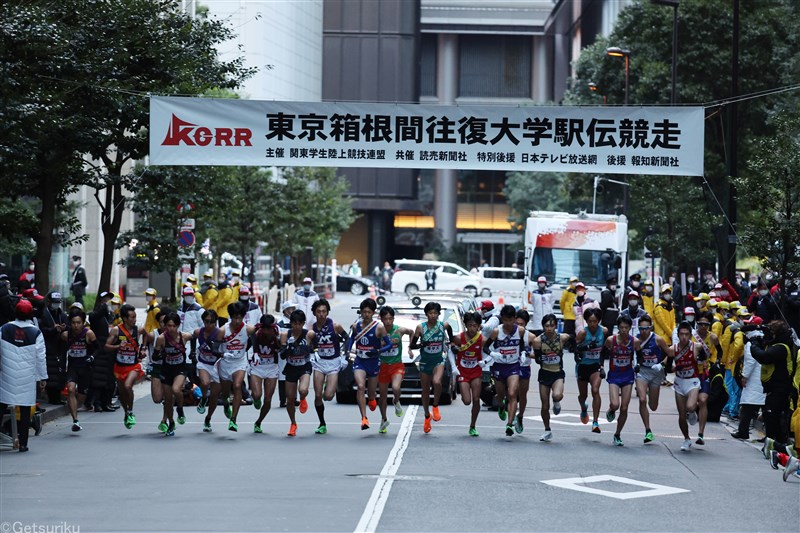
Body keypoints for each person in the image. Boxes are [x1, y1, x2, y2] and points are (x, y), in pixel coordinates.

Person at [0, 299, 47, 452]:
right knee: (25, 409)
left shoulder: (4, 329)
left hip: (7, 374)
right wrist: (42, 378)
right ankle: (23, 443)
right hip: (27, 377)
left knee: (1, 406)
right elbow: (41, 357)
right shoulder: (36, 332)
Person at [750, 320, 796, 448]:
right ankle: (772, 441)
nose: (769, 334)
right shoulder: (777, 344)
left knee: (773, 415)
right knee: (769, 414)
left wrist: (754, 345)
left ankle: (776, 443)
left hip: (780, 388)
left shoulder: (781, 347)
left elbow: (763, 356)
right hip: (774, 387)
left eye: (771, 332)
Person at [410, 301, 453, 433]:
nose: (433, 315)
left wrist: (450, 341)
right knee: (425, 390)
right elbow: (413, 345)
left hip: (438, 360)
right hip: (424, 362)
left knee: (437, 382)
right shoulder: (420, 328)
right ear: (426, 314)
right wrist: (422, 345)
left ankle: (435, 406)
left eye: (435, 313)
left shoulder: (443, 325)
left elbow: (450, 331)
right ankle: (427, 416)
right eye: (430, 313)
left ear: (439, 314)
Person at [482, 304, 525, 437]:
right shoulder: (496, 331)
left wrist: (523, 353)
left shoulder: (521, 331)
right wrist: (493, 354)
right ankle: (501, 406)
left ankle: (510, 424)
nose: (508, 323)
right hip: (499, 366)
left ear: (514, 319)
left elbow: (522, 345)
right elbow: (485, 347)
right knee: (500, 396)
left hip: (513, 366)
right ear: (502, 318)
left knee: (512, 393)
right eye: (505, 320)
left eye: (510, 320)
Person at [349, 298, 392, 431]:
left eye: (369, 312)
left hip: (373, 362)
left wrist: (377, 351)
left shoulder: (379, 327)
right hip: (360, 361)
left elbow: (389, 344)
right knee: (361, 386)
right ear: (361, 312)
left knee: (372, 394)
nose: (366, 314)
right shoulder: (356, 326)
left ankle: (372, 399)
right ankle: (364, 418)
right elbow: (351, 338)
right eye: (364, 312)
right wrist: (348, 350)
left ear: (373, 313)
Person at [309, 299, 348, 434]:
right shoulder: (311, 328)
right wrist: (311, 353)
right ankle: (322, 423)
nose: (321, 314)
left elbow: (347, 338)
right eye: (319, 312)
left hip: (333, 362)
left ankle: (328, 386)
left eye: (324, 311)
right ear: (314, 313)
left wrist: (345, 354)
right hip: (319, 363)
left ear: (327, 312)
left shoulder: (335, 326)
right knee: (318, 395)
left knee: (329, 396)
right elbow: (307, 344)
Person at [667, 321, 706, 452]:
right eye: (681, 334)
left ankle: (693, 411)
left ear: (690, 336)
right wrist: (670, 368)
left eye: (686, 334)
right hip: (679, 382)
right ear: (678, 335)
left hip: (693, 381)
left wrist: (702, 359)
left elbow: (706, 353)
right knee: (681, 415)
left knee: (690, 406)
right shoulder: (673, 349)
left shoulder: (696, 346)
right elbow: (667, 365)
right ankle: (686, 438)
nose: (684, 337)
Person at [532, 313, 572, 442]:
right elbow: (538, 359)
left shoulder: (563, 338)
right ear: (543, 326)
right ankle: (547, 430)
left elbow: (575, 340)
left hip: (557, 373)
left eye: (552, 325)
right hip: (544, 373)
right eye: (546, 326)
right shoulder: (538, 341)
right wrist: (540, 357)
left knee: (557, 395)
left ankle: (556, 402)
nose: (549, 328)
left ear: (556, 326)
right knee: (544, 406)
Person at [153, 312, 193, 436]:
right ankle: (171, 422)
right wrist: (160, 354)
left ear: (178, 325)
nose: (171, 329)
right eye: (168, 326)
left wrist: (194, 353)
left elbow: (194, 338)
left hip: (180, 369)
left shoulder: (184, 336)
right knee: (168, 400)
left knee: (176, 389)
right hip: (167, 370)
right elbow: (155, 355)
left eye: (174, 326)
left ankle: (180, 409)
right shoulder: (161, 338)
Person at [105, 304, 144, 429]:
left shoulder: (139, 329)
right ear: (125, 318)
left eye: (135, 317)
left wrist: (142, 350)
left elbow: (148, 336)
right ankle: (126, 412)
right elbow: (106, 346)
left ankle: (131, 411)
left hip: (133, 366)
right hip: (120, 366)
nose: (134, 319)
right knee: (121, 392)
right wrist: (118, 346)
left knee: (128, 386)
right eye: (132, 317)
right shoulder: (116, 330)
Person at [604, 315, 641, 446]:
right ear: (618, 328)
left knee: (624, 408)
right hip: (614, 375)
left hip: (627, 376)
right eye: (621, 327)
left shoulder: (635, 341)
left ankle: (617, 434)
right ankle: (611, 410)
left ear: (630, 328)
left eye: (626, 327)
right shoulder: (611, 340)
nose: (624, 330)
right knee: (615, 404)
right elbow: (603, 352)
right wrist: (601, 367)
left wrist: (638, 365)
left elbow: (639, 354)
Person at [219, 302, 256, 432]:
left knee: (237, 386)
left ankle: (233, 420)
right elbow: (214, 347)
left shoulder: (248, 329)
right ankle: (225, 403)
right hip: (225, 363)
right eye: (235, 318)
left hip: (240, 362)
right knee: (225, 392)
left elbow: (254, 341)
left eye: (240, 318)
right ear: (230, 317)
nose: (237, 321)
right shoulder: (223, 330)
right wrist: (221, 353)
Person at [634, 315, 670, 444]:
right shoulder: (636, 339)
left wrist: (662, 364)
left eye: (647, 328)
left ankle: (650, 392)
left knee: (653, 406)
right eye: (642, 328)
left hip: (655, 373)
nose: (644, 331)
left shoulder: (658, 340)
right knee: (642, 400)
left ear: (651, 328)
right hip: (642, 372)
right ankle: (648, 430)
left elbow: (670, 354)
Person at [449, 311, 485, 436]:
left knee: (476, 399)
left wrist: (484, 361)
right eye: (469, 325)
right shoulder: (459, 338)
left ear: (479, 326)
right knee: (466, 401)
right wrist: (454, 367)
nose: (472, 328)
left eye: (475, 326)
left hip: (476, 371)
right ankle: (472, 423)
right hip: (463, 372)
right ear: (465, 325)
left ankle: (473, 426)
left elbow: (489, 351)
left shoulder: (481, 339)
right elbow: (450, 351)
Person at [281, 309, 316, 437]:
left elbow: (315, 348)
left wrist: (310, 346)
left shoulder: (309, 334)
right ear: (291, 323)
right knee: (289, 399)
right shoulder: (286, 335)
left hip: (304, 366)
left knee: (303, 390)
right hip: (291, 367)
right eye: (294, 323)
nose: (297, 326)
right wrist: (289, 347)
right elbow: (282, 356)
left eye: (300, 323)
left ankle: (302, 398)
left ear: (303, 323)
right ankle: (293, 423)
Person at [378, 306, 412, 433]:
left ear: (393, 318)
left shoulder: (399, 330)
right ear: (381, 319)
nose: (388, 322)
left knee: (396, 387)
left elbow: (412, 332)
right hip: (382, 366)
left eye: (390, 319)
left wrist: (410, 348)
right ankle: (383, 419)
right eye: (385, 319)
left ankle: (396, 400)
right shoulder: (378, 331)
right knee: (382, 395)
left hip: (397, 365)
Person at [731, 316, 766, 440]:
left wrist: (744, 376)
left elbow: (750, 361)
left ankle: (743, 432)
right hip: (763, 378)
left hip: (753, 380)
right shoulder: (764, 340)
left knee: (746, 408)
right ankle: (768, 436)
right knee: (764, 408)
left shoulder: (751, 342)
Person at [62, 309, 97, 432]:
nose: (76, 325)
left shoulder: (89, 334)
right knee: (71, 389)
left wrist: (92, 357)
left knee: (81, 398)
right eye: (73, 323)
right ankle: (75, 420)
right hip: (72, 367)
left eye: (78, 322)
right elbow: (61, 350)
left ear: (83, 323)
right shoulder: (66, 335)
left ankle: (74, 408)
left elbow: (98, 349)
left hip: (85, 369)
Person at [692, 311, 723, 444]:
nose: (703, 327)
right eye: (701, 324)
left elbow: (720, 350)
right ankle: (691, 411)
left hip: (705, 372)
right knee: (691, 404)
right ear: (697, 324)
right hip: (691, 372)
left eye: (706, 324)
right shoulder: (691, 336)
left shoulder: (713, 338)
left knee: (703, 400)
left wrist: (717, 362)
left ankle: (701, 434)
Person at [575, 307, 607, 433]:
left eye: (595, 321)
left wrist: (602, 365)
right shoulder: (583, 333)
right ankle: (583, 408)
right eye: (590, 321)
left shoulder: (604, 331)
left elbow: (605, 349)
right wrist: (587, 346)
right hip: (583, 366)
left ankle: (595, 422)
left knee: (595, 390)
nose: (592, 324)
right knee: (583, 395)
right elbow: (576, 348)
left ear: (599, 321)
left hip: (595, 366)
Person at [249, 314, 282, 434]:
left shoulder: (277, 334)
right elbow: (250, 339)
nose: (267, 331)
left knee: (268, 399)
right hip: (258, 367)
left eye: (269, 328)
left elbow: (282, 348)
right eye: (265, 328)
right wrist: (255, 352)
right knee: (257, 395)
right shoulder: (257, 333)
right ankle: (256, 399)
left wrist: (280, 344)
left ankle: (258, 422)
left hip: (271, 368)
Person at [193, 309, 223, 432]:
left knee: (215, 395)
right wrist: (192, 351)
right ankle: (203, 397)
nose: (209, 324)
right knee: (205, 383)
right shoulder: (198, 331)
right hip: (203, 363)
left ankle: (208, 419)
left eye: (212, 322)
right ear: (203, 321)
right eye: (207, 321)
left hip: (216, 365)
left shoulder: (220, 333)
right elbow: (192, 337)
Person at [40, 291, 68, 404]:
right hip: (49, 348)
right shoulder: (43, 314)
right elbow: (41, 330)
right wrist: (53, 329)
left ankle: (58, 396)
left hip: (60, 348)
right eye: (54, 302)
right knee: (51, 374)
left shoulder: (63, 315)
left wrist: (64, 328)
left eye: (58, 302)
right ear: (49, 302)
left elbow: (69, 327)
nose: (56, 304)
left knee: (60, 373)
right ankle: (52, 397)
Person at [515, 309, 534, 432]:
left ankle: (520, 416)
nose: (519, 327)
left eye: (521, 324)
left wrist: (526, 354)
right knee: (511, 392)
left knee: (522, 394)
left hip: (525, 367)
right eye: (517, 324)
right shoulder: (509, 333)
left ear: (526, 324)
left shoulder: (531, 337)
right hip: (511, 366)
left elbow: (537, 354)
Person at [276, 301, 297, 408]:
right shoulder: (280, 323)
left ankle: (293, 398)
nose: (292, 311)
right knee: (283, 375)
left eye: (294, 308)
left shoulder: (296, 321)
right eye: (290, 309)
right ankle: (283, 399)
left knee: (295, 373)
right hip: (284, 352)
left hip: (295, 351)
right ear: (285, 310)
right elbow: (278, 338)